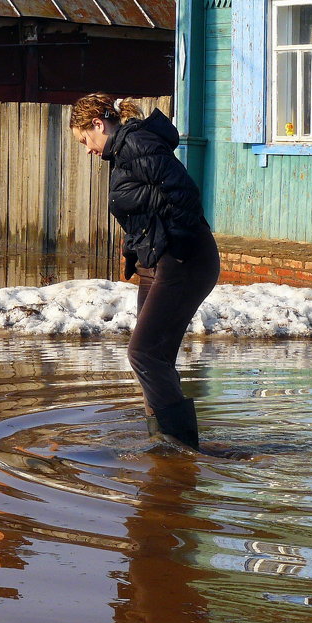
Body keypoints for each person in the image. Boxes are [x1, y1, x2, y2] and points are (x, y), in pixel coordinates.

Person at [70, 93, 221, 451]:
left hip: (183, 258)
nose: (88, 150)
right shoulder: (125, 152)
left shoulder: (136, 143)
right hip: (158, 260)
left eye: (85, 140)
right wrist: (133, 254)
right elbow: (145, 209)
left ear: (98, 124)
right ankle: (164, 442)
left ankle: (179, 447)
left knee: (144, 354)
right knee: (154, 358)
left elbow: (183, 195)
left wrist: (176, 252)